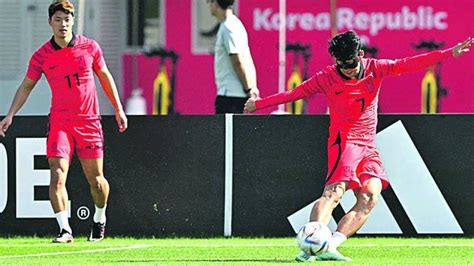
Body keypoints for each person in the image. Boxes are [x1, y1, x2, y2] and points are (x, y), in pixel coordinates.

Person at [245, 31, 473, 261]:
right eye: (342, 65)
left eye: (352, 63)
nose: (348, 69)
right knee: (334, 194)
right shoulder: (327, 77)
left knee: (370, 197)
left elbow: (410, 64)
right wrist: (259, 104)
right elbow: (295, 94)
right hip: (343, 141)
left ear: (361, 54)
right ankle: (310, 245)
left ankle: (328, 246)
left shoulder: (376, 68)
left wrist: (449, 53)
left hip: (368, 145)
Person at [0, 0, 128, 243]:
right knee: (57, 174)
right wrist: (10, 115)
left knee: (97, 181)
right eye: (58, 20)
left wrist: (119, 109)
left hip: (89, 122)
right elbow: (26, 86)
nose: (63, 24)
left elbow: (105, 77)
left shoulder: (90, 47)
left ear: (73, 21)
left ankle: (99, 218)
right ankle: (65, 229)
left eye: (67, 19)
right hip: (60, 123)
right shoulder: (41, 56)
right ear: (50, 23)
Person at [208, 0, 259, 114]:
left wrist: (249, 89)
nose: (209, 6)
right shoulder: (234, 24)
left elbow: (238, 61)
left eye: (209, 2)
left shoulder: (228, 27)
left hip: (231, 97)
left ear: (215, 4)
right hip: (236, 95)